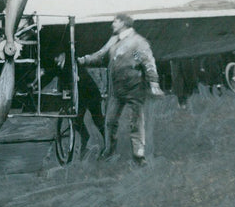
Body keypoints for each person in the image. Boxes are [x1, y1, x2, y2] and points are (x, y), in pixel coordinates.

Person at [77, 13, 163, 164]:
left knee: (136, 122)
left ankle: (139, 155)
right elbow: (101, 54)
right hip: (116, 90)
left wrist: (154, 83)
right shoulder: (114, 40)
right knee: (109, 122)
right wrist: (84, 60)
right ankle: (109, 152)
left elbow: (146, 62)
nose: (113, 24)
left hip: (134, 88)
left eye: (115, 21)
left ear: (123, 23)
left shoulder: (136, 43)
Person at [39, 52, 105, 157]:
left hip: (90, 93)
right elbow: (49, 76)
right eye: (54, 58)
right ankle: (85, 139)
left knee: (97, 120)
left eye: (57, 57)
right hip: (79, 96)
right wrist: (37, 86)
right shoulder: (59, 66)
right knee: (77, 121)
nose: (55, 60)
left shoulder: (72, 63)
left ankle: (108, 144)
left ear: (63, 55)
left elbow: (77, 79)